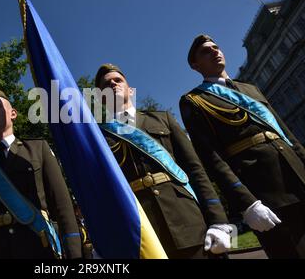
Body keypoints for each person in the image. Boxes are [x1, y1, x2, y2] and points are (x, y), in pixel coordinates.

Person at [179, 34, 305, 258]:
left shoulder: (251, 89)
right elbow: (212, 158)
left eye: (216, 47)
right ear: (194, 65)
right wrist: (247, 203)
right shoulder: (195, 100)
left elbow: (284, 133)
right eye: (206, 51)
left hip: (299, 174)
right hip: (266, 190)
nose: (215, 51)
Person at [94, 64, 232, 259]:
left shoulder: (162, 119)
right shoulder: (98, 137)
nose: (113, 84)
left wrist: (218, 219)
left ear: (130, 89)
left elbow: (195, 169)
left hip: (188, 220)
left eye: (118, 80)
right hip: (143, 232)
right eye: (106, 85)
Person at [0, 88, 82, 258]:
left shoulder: (39, 149)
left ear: (13, 113)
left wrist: (74, 254)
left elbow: (62, 206)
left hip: (39, 249)